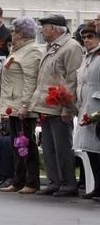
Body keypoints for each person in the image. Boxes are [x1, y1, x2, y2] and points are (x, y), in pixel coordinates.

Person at [30, 14, 83, 197]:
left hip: (60, 105)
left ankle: (68, 184)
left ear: (54, 28)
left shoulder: (71, 47)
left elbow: (72, 80)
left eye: (44, 27)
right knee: (49, 148)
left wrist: (67, 107)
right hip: (46, 105)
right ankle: (54, 182)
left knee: (62, 147)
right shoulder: (51, 47)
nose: (42, 31)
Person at [0, 16, 42, 194]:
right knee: (17, 145)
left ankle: (31, 182)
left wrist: (25, 105)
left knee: (27, 145)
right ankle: (18, 180)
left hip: (23, 107)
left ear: (22, 34)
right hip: (13, 105)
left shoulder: (31, 51)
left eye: (14, 31)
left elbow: (31, 81)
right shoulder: (17, 50)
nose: (11, 34)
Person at [74, 20, 100, 199]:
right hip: (85, 105)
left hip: (97, 104)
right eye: (83, 37)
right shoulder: (86, 57)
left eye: (90, 36)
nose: (86, 40)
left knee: (98, 148)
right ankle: (98, 185)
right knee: (90, 149)